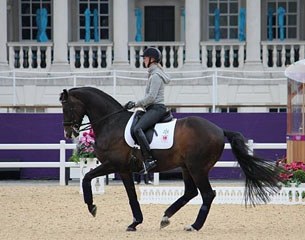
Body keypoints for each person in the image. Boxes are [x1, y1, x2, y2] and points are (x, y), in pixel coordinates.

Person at [124, 47, 170, 173]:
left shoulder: (155, 76)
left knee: (137, 128)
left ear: (152, 59)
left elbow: (151, 97)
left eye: (144, 58)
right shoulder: (152, 74)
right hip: (151, 108)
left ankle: (149, 159)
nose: (143, 60)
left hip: (156, 108)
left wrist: (135, 104)